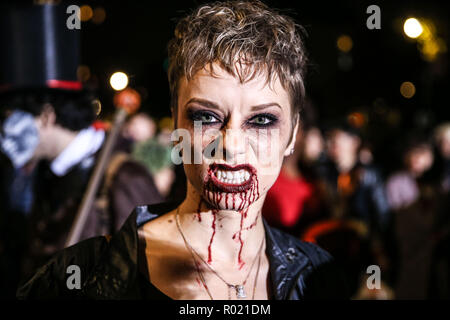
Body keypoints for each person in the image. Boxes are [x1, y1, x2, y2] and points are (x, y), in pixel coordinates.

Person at [17, 0, 348, 300]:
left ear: (292, 135)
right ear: (176, 123)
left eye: (261, 120)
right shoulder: (82, 278)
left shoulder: (320, 279)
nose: (231, 145)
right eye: (206, 116)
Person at [0, 2, 162, 293]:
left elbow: (154, 277)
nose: (4, 131)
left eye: (10, 118)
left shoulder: (123, 177)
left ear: (47, 115)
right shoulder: (37, 178)